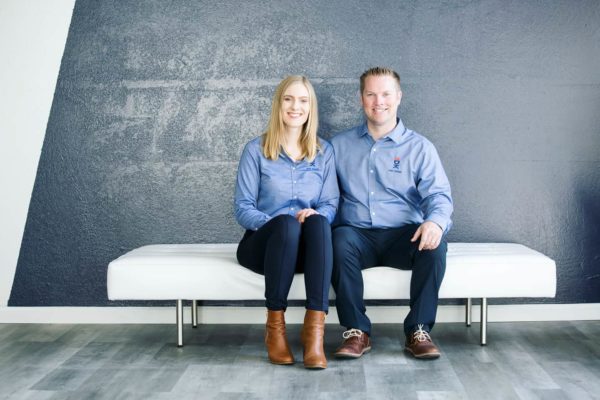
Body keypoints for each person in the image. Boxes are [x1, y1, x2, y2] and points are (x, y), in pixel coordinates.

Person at [330, 67, 453, 360]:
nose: (378, 101)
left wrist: (435, 223)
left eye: (386, 94)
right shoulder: (338, 146)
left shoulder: (420, 148)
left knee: (435, 246)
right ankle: (356, 331)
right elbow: (323, 194)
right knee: (337, 240)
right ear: (361, 99)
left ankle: (419, 331)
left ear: (398, 97)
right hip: (356, 235)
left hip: (404, 235)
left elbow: (439, 196)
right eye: (371, 94)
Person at [234, 75, 339, 369]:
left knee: (318, 223)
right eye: (289, 99)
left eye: (303, 101)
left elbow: (331, 203)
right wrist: (277, 223)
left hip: (306, 250)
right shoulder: (255, 150)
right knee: (287, 225)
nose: (296, 107)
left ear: (311, 107)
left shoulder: (323, 152)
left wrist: (317, 215)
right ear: (279, 105)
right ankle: (274, 330)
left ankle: (313, 335)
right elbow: (242, 208)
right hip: (264, 247)